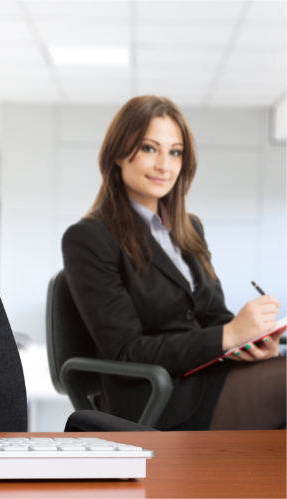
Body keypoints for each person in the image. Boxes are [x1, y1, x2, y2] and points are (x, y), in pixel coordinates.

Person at [62, 95, 286, 430]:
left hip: (208, 374)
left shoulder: (189, 228)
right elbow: (126, 350)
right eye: (149, 148)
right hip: (155, 394)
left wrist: (250, 341)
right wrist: (228, 335)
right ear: (118, 153)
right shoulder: (88, 238)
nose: (165, 165)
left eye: (175, 152)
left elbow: (214, 317)